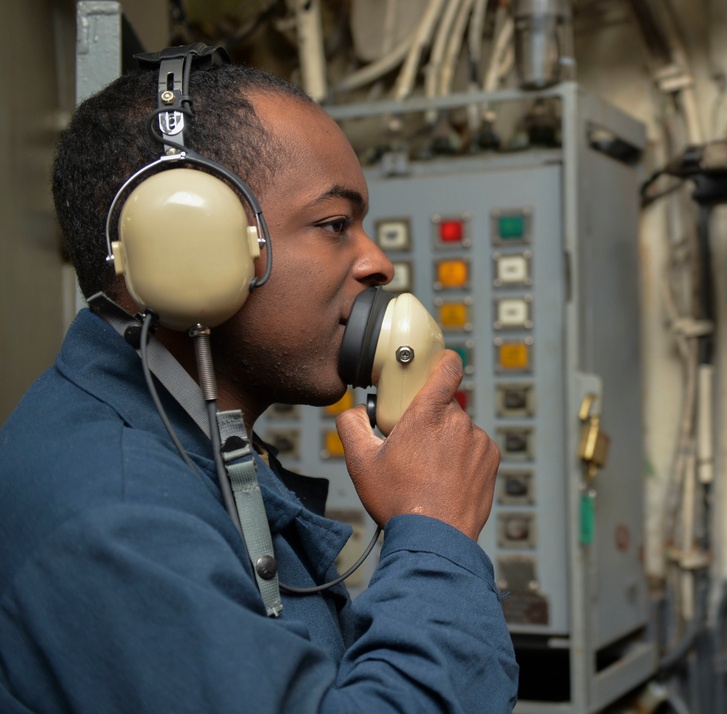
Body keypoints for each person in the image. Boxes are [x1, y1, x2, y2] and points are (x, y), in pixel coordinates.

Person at [0, 47, 518, 713]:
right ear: (186, 243)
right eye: (336, 224)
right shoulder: (117, 518)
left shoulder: (185, 447)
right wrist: (435, 531)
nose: (379, 263)